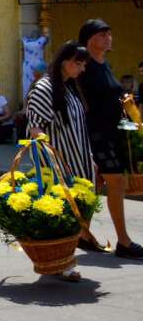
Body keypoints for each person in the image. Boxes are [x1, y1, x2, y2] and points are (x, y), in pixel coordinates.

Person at [25, 41, 97, 269]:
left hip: (80, 165)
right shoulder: (44, 89)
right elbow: (36, 130)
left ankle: (65, 262)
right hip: (60, 169)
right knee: (62, 219)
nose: (81, 69)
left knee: (74, 219)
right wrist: (55, 167)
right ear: (64, 61)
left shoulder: (68, 87)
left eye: (83, 64)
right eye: (78, 64)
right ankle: (62, 265)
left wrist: (90, 160)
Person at [77, 19, 143, 260]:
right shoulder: (84, 66)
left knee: (95, 186)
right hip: (95, 134)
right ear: (88, 39)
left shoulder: (104, 64)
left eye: (109, 34)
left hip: (113, 132)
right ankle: (124, 242)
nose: (108, 38)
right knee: (116, 183)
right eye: (102, 34)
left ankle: (82, 234)